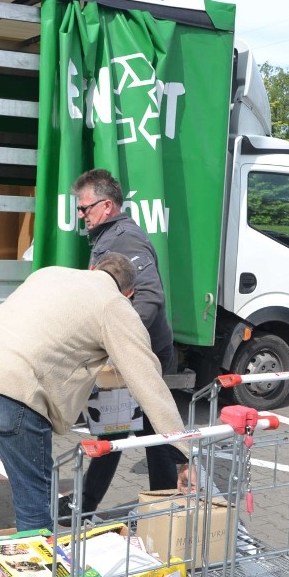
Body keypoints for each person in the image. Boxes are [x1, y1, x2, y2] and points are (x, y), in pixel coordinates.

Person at [0, 252, 191, 577]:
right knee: (33, 506)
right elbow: (148, 380)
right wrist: (183, 449)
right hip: (14, 392)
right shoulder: (114, 305)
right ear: (129, 293)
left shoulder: (51, 274)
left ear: (93, 269)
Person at [72, 169, 184, 514]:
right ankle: (87, 503)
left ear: (106, 206)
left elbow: (149, 299)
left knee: (150, 431)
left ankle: (163, 507)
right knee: (116, 427)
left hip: (142, 352)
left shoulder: (125, 240)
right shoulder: (109, 237)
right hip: (129, 352)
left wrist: (120, 344)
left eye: (84, 208)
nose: (80, 215)